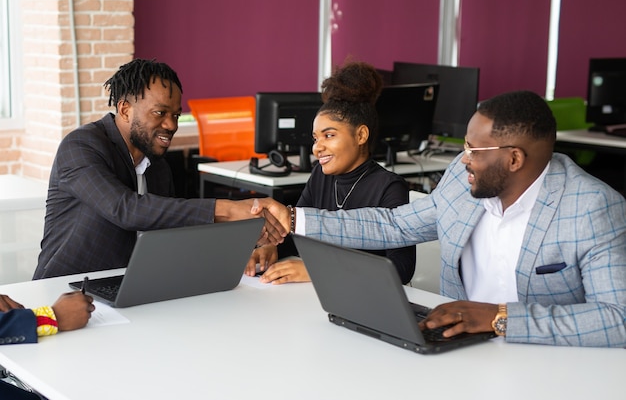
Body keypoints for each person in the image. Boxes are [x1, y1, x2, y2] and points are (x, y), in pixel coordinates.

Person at [253, 90, 626, 347]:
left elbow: (618, 319)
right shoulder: (464, 184)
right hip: (453, 348)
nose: (463, 159)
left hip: (545, 360)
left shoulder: (591, 208)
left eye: (474, 150)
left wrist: (499, 318)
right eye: (465, 146)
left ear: (514, 159)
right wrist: (293, 217)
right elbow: (395, 224)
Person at [33, 58, 285, 279]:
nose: (171, 124)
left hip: (130, 286)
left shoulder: (158, 166)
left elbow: (173, 230)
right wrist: (229, 209)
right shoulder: (81, 146)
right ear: (125, 109)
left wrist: (247, 240)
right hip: (65, 289)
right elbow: (125, 209)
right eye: (160, 112)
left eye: (175, 115)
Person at [245, 61, 415, 284]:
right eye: (316, 138)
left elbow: (401, 269)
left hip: (366, 298)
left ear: (361, 135)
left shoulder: (389, 187)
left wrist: (318, 270)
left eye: (329, 135)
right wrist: (271, 247)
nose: (317, 147)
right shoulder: (321, 175)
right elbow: (297, 233)